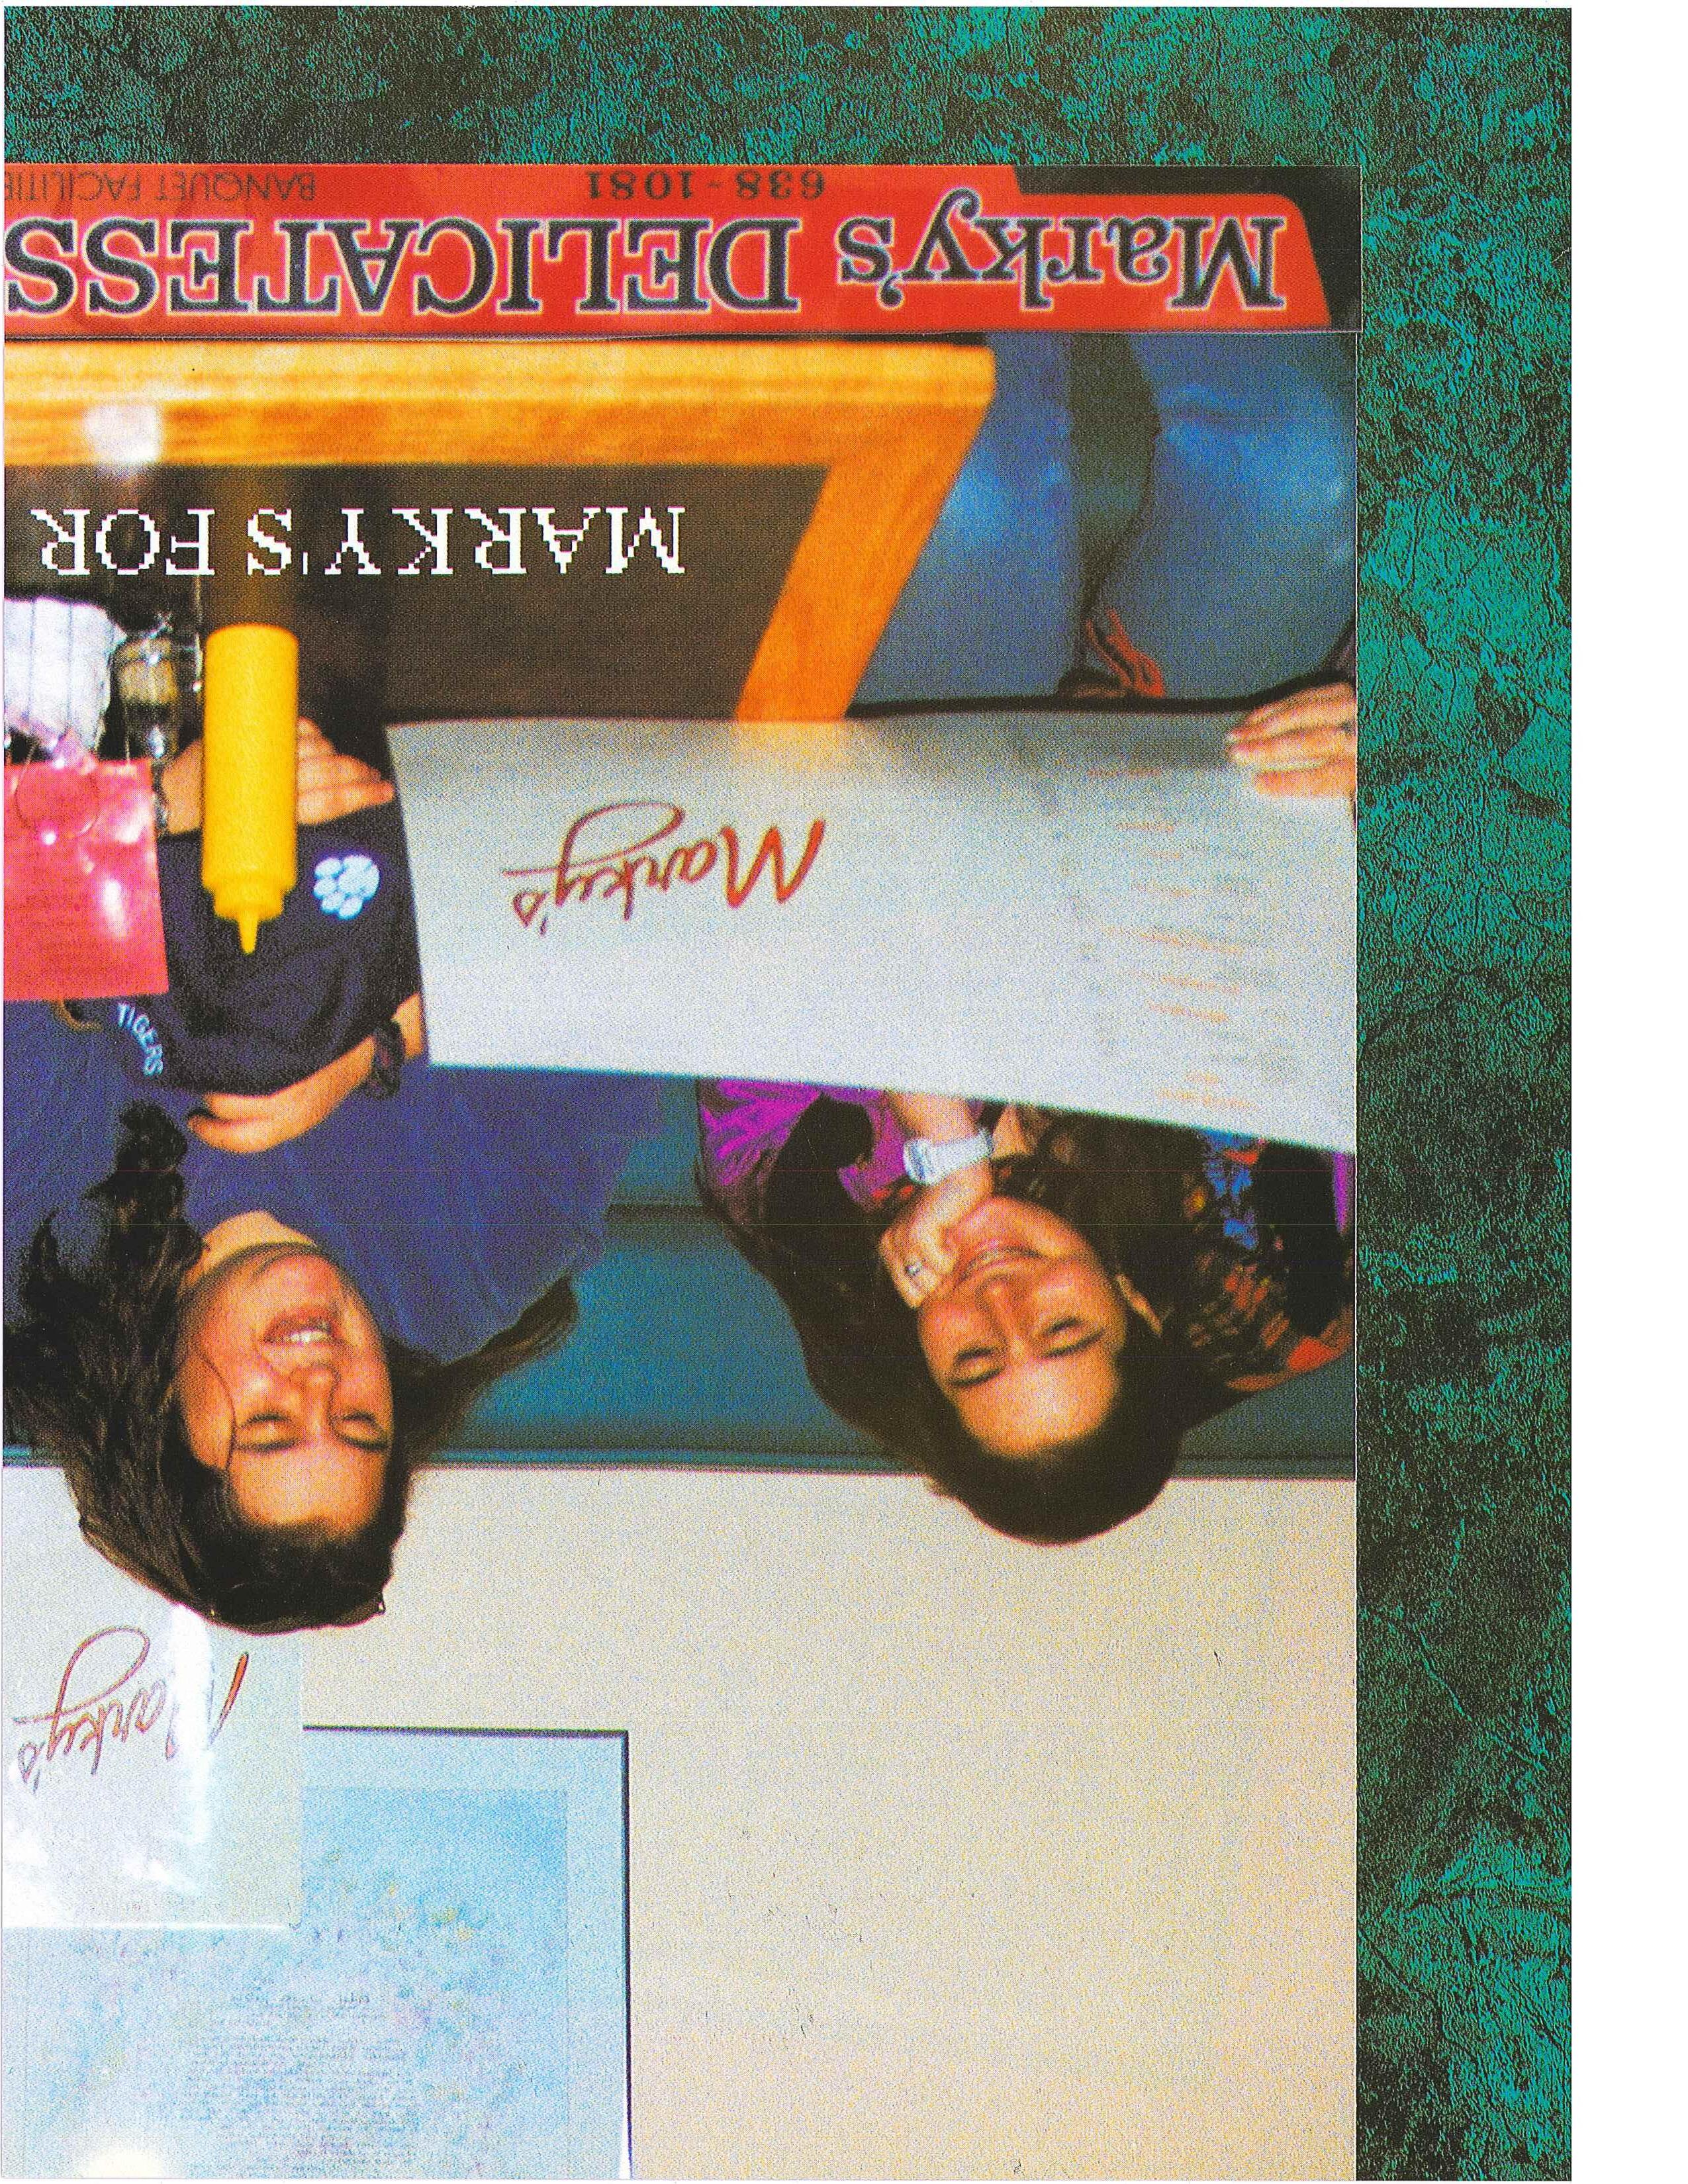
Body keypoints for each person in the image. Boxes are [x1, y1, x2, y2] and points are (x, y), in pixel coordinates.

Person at [5, 674, 660, 1631]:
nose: (318, 1380)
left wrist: (150, 813)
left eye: (269, 1426)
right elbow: (643, 927)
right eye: (360, 1422)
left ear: (162, 1421)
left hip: (111, 672)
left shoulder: (36, 1246)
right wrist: (378, 1043)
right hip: (450, 691)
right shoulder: (475, 1262)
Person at [697, 688, 1357, 1543]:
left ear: (923, 1370)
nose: (1001, 1300)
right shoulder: (1295, 1265)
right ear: (1136, 1308)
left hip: (922, 728)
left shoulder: (795, 1194)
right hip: (1203, 733)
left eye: (973, 1359)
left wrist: (946, 1143)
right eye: (1063, 1329)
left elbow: (788, 844)